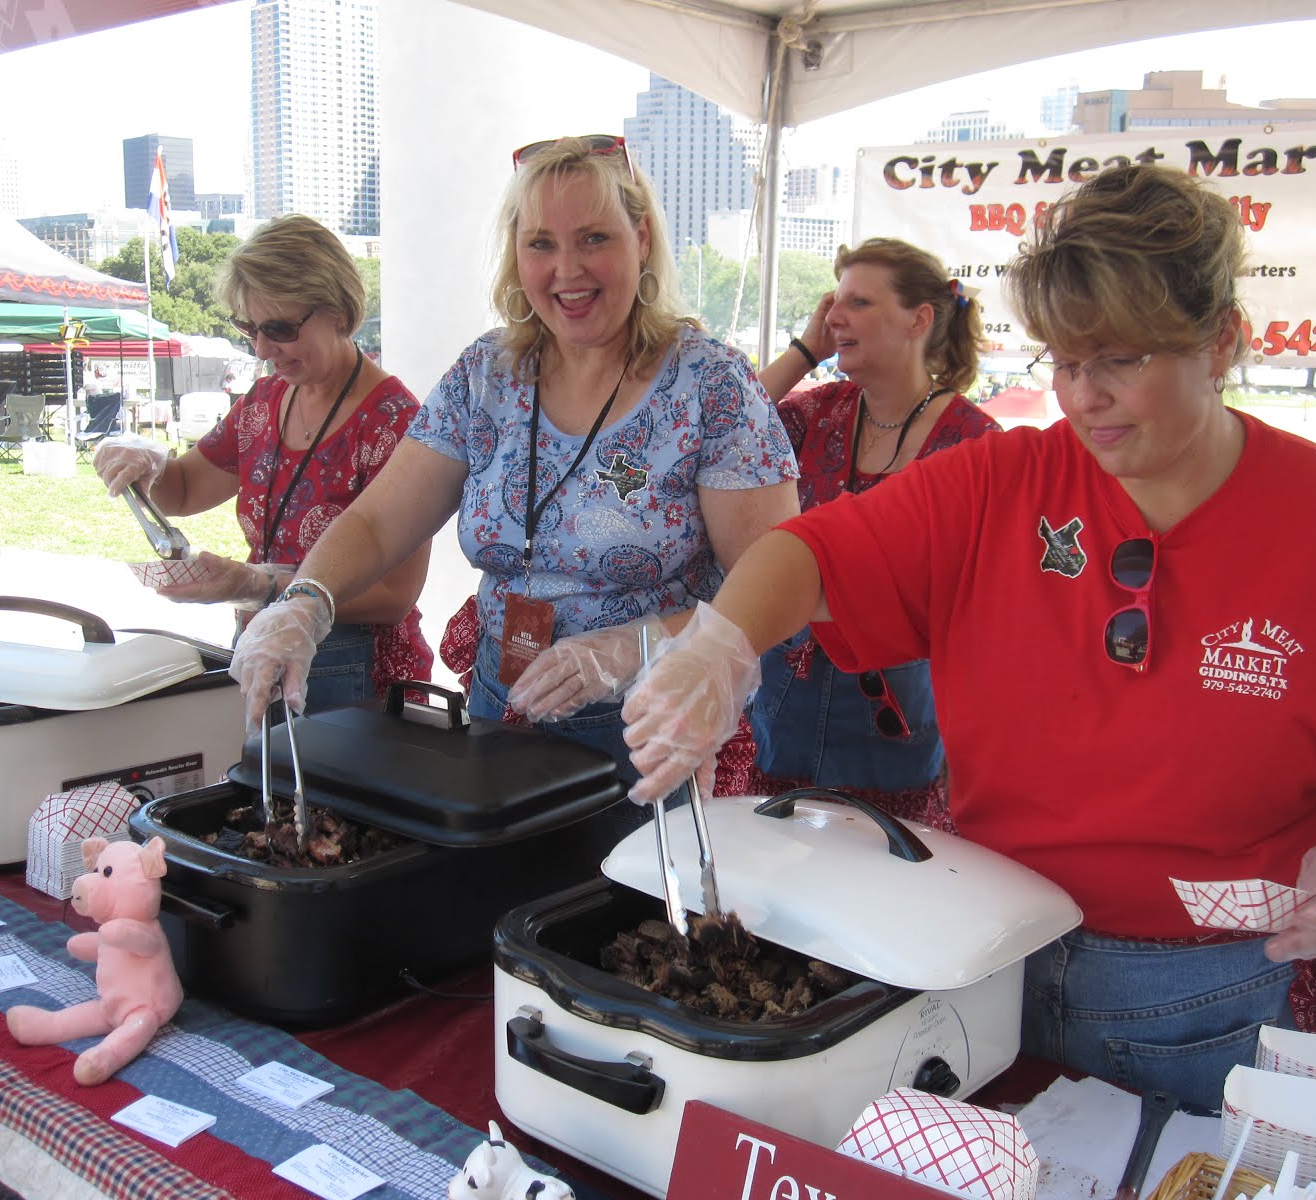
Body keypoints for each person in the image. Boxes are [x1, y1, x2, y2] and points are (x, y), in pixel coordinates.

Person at [619, 165, 1316, 1112]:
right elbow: (808, 552)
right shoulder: (1001, 484)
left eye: (1122, 360)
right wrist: (721, 644)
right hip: (988, 952)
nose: (1084, 397)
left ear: (1221, 338)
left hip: (1219, 991)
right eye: (1063, 361)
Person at [226, 135, 798, 795]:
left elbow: (774, 585)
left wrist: (634, 646)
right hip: (504, 707)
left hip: (653, 728)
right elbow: (380, 523)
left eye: (593, 238)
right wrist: (306, 599)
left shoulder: (711, 385)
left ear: (641, 239)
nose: (567, 270)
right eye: (541, 244)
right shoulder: (487, 375)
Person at [92, 214, 434, 712]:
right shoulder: (267, 399)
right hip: (265, 647)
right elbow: (185, 490)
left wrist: (259, 585)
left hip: (358, 673)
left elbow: (393, 595)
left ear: (338, 310)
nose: (260, 348)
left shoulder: (393, 421)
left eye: (279, 328)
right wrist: (147, 467)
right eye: (248, 327)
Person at [718, 238, 1001, 824]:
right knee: (778, 862)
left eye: (859, 303)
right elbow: (726, 425)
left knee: (879, 870)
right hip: (785, 696)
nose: (835, 316)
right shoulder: (819, 410)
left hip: (897, 712)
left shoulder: (975, 441)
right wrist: (804, 349)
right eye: (833, 302)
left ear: (920, 318)